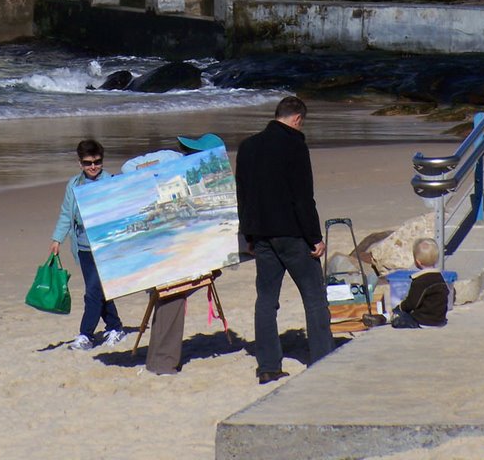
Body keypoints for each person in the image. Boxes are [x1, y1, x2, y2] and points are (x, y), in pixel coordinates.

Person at [235, 96, 334, 385]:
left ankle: (267, 366)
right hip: (292, 234)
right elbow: (303, 197)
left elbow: (243, 196)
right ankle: (322, 359)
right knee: (314, 297)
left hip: (262, 234)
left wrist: (248, 235)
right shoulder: (295, 145)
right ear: (297, 119)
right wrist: (314, 238)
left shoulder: (248, 146)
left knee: (266, 300)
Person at [123, 132, 226, 375]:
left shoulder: (209, 174)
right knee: (171, 294)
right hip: (161, 240)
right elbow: (128, 168)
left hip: (185, 240)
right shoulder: (169, 158)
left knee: (172, 294)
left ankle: (161, 360)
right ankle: (162, 362)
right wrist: (157, 175)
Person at [50, 138, 126, 350]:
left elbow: (121, 212)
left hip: (106, 246)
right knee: (100, 290)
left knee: (93, 291)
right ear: (80, 163)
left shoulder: (110, 181)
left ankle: (85, 335)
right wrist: (57, 239)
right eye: (87, 163)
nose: (93, 167)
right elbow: (67, 214)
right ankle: (115, 328)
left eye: (97, 162)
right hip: (83, 247)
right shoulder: (74, 185)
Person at [390, 237, 450, 329]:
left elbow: (411, 303)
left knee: (399, 318)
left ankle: (387, 318)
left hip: (424, 320)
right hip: (440, 320)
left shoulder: (420, 281)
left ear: (417, 262)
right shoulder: (439, 277)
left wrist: (399, 308)